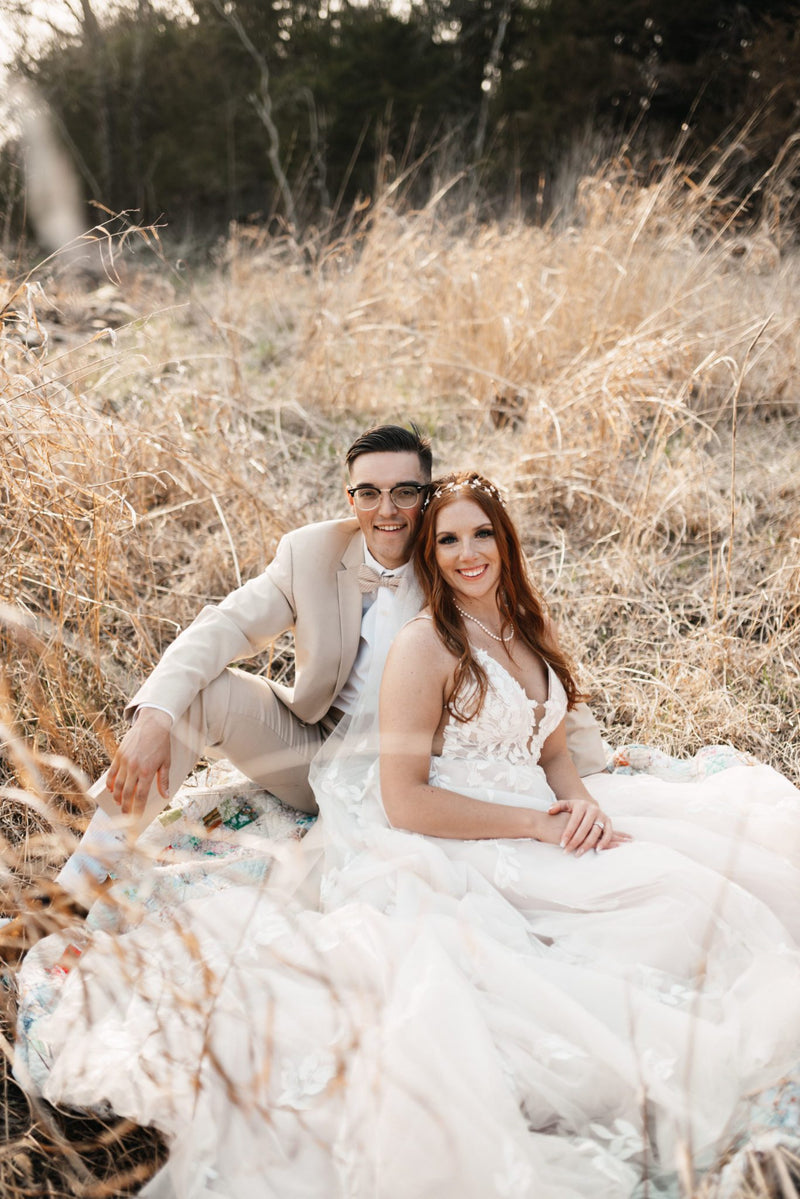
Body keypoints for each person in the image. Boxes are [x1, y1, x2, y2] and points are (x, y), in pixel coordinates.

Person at [16, 470, 800, 1198]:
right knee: (537, 982)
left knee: (688, 903)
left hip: (521, 801)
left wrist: (581, 801)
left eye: (479, 533)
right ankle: (74, 881)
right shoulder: (398, 619)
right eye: (447, 537)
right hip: (394, 789)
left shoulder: (521, 622)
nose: (464, 549)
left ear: (500, 537)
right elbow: (401, 793)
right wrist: (534, 822)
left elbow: (553, 743)